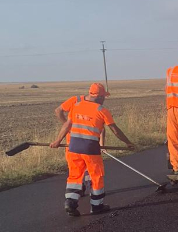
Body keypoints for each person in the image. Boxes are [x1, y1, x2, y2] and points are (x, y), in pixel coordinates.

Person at [50, 83, 135, 216]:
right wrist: (128, 143)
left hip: (73, 148)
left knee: (75, 176)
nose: (104, 99)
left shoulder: (77, 106)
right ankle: (96, 206)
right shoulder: (102, 110)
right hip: (90, 149)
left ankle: (70, 202)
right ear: (100, 97)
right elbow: (115, 130)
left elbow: (67, 125)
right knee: (96, 176)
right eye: (104, 96)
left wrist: (57, 141)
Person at [55, 93, 106, 196]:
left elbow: (101, 126)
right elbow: (58, 110)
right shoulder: (75, 100)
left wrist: (101, 145)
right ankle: (81, 189)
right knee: (77, 168)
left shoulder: (95, 106)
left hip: (84, 143)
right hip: (74, 142)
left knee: (86, 168)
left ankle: (89, 187)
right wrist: (68, 126)